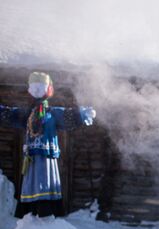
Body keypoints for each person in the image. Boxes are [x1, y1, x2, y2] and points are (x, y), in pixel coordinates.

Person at [0, 72, 96, 218]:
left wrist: (82, 114)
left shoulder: (47, 113)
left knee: (41, 181)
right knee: (37, 181)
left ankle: (41, 211)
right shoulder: (33, 113)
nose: (37, 91)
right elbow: (10, 115)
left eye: (40, 87)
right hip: (37, 157)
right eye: (35, 87)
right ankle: (34, 213)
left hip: (43, 157)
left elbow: (68, 116)